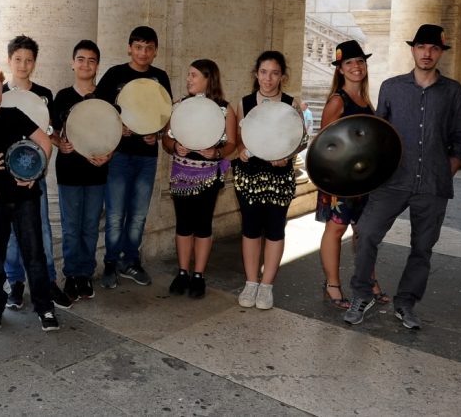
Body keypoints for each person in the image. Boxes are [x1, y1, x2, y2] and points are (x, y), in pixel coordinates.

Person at [344, 24, 461, 329]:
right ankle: (362, 294)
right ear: (413, 50)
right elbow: (378, 134)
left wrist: (445, 172)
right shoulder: (392, 87)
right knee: (366, 233)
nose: (427, 53)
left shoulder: (453, 91)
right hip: (393, 181)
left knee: (422, 248)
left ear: (440, 53)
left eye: (434, 48)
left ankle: (406, 302)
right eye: (421, 47)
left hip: (433, 185)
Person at [0, 66, 58, 331]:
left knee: (35, 255)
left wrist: (35, 173)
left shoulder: (13, 115)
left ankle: (45, 307)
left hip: (25, 197)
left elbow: (45, 142)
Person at [95, 25, 172, 288]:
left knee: (138, 215)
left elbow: (165, 115)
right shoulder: (115, 74)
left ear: (155, 51)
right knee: (115, 214)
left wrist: (157, 134)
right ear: (130, 48)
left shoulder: (160, 77)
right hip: (118, 155)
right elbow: (99, 110)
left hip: (147, 157)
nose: (143, 52)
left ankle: (130, 261)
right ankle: (110, 263)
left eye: (148, 48)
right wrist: (118, 126)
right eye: (138, 47)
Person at [314, 40, 389, 310]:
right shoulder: (338, 100)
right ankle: (332, 285)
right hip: (339, 180)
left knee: (363, 232)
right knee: (336, 229)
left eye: (360, 61)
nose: (356, 66)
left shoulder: (365, 99)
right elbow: (322, 146)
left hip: (363, 180)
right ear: (340, 69)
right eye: (349, 63)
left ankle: (369, 280)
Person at [232, 50, 306, 310]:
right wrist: (241, 149)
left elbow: (300, 140)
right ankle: (251, 282)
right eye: (263, 72)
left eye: (274, 73)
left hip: (279, 175)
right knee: (250, 228)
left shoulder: (291, 103)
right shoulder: (244, 103)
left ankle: (266, 286)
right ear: (256, 74)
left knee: (275, 229)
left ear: (282, 76)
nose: (268, 78)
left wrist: (288, 155)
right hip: (249, 175)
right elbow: (238, 139)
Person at [1, 35, 70, 309]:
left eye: (28, 60)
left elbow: (49, 132)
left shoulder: (44, 94)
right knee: (10, 232)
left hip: (35, 171)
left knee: (42, 227)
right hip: (6, 175)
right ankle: (15, 282)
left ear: (34, 63)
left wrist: (57, 142)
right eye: (18, 59)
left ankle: (48, 281)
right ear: (9, 60)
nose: (23, 65)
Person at [161, 59, 237, 298]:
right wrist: (175, 146)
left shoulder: (224, 109)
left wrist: (217, 153)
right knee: (183, 224)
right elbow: (166, 139)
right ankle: (183, 272)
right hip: (182, 174)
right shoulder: (179, 106)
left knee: (203, 225)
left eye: (193, 75)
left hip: (209, 176)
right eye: (188, 74)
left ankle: (198, 276)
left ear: (208, 78)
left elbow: (232, 143)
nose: (188, 79)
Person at [53, 40, 111, 302]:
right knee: (71, 228)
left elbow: (114, 132)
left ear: (97, 65)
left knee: (89, 226)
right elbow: (49, 130)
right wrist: (59, 143)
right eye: (81, 59)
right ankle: (71, 274)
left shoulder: (105, 97)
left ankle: (85, 274)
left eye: (91, 60)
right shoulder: (62, 96)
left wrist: (109, 154)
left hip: (97, 172)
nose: (85, 64)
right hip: (69, 172)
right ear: (72, 63)